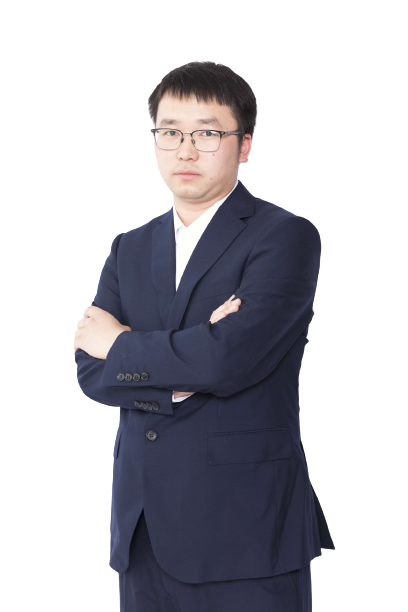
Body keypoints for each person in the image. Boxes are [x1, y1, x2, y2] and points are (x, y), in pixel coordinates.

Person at [74, 61, 335, 611]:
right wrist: (185, 368)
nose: (185, 151)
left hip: (245, 529)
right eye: (170, 132)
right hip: (142, 528)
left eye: (207, 133)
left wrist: (122, 346)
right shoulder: (129, 246)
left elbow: (227, 360)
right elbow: (91, 372)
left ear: (244, 146)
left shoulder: (284, 236)